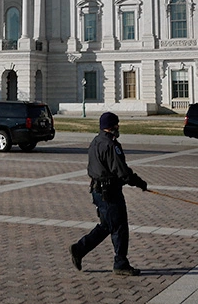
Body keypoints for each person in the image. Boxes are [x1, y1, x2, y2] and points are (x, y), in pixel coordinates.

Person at [69, 112, 148, 276]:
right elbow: (122, 171)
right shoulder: (112, 145)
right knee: (119, 226)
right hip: (110, 193)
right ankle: (120, 263)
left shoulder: (95, 141)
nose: (118, 127)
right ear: (112, 126)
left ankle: (79, 249)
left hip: (98, 191)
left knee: (107, 225)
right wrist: (139, 182)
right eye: (117, 124)